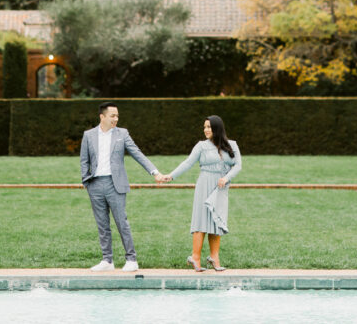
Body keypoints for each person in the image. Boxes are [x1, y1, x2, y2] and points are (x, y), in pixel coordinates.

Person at [80, 101, 162, 272]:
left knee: (121, 222)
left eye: (117, 116)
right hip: (95, 184)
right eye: (112, 116)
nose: (116, 119)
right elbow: (84, 161)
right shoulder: (88, 135)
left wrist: (155, 172)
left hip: (115, 184)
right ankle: (107, 261)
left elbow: (137, 153)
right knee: (102, 224)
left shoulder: (122, 134)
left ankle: (131, 259)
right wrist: (86, 181)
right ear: (102, 117)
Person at [158, 115, 241, 271]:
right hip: (204, 184)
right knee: (201, 220)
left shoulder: (232, 145)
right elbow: (188, 162)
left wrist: (226, 177)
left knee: (217, 220)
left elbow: (238, 165)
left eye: (209, 127)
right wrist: (171, 175)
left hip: (221, 187)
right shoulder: (201, 146)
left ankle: (214, 258)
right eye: (204, 127)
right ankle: (195, 257)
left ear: (217, 128)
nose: (206, 130)